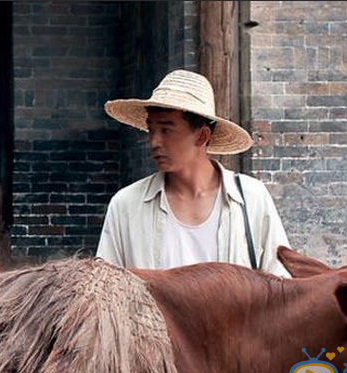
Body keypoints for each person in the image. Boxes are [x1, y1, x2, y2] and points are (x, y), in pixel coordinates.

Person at [96, 69, 291, 277]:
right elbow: (106, 290)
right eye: (151, 130)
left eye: (166, 130)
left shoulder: (251, 199)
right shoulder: (127, 205)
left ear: (202, 136)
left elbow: (282, 286)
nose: (154, 142)